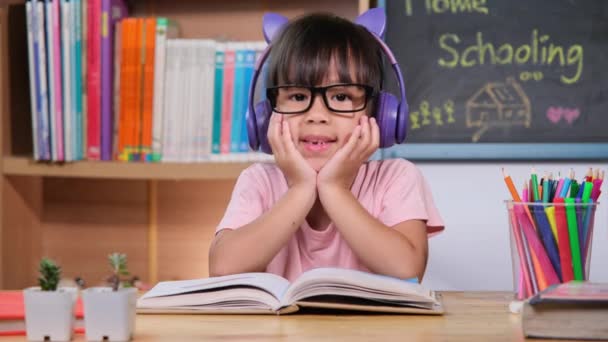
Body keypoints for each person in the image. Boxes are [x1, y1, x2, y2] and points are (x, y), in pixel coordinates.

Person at [208, 10, 444, 282]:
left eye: (341, 96)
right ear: (267, 115)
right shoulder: (259, 181)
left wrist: (334, 188)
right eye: (297, 96)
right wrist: (301, 188)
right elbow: (223, 268)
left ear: (378, 114)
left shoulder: (396, 178)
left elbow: (407, 268)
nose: (317, 115)